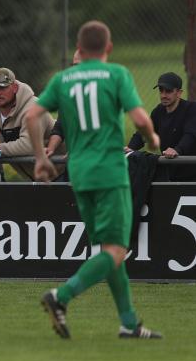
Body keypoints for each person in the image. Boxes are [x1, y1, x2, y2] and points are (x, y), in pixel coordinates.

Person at [29, 20, 162, 340]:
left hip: (79, 172)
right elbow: (141, 118)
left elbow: (32, 115)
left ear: (79, 47)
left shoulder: (63, 79)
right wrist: (153, 139)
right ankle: (60, 297)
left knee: (109, 251)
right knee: (116, 250)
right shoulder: (116, 74)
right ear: (109, 47)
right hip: (110, 171)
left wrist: (41, 158)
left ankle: (129, 323)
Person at [0, 67, 61, 181]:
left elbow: (28, 146)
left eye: (2, 88)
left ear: (14, 87)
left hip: (63, 171)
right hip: (35, 177)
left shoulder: (33, 106)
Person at [126, 71, 196, 181]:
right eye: (161, 90)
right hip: (170, 174)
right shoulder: (158, 111)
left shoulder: (191, 109)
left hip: (191, 174)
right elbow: (145, 132)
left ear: (179, 92)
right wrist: (130, 148)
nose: (163, 95)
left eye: (168, 91)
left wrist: (177, 150)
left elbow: (191, 135)